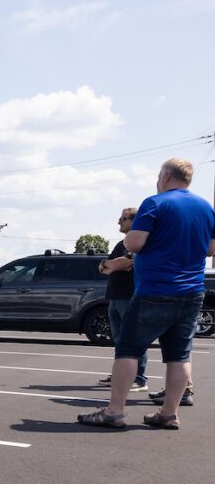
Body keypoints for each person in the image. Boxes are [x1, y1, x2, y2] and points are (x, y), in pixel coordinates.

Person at [78, 158, 215, 429]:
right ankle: (169, 414)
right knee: (178, 355)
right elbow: (211, 250)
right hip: (192, 291)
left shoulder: (155, 203)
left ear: (165, 176)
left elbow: (135, 242)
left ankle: (114, 411)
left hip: (155, 289)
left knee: (128, 349)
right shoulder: (206, 207)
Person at [97, 207, 148, 392]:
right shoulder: (121, 244)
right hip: (115, 298)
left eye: (123, 218)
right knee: (120, 340)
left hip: (130, 298)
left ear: (135, 221)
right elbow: (103, 267)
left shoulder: (139, 243)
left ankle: (140, 379)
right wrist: (113, 264)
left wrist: (113, 264)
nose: (119, 222)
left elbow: (126, 263)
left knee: (134, 339)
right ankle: (120, 374)